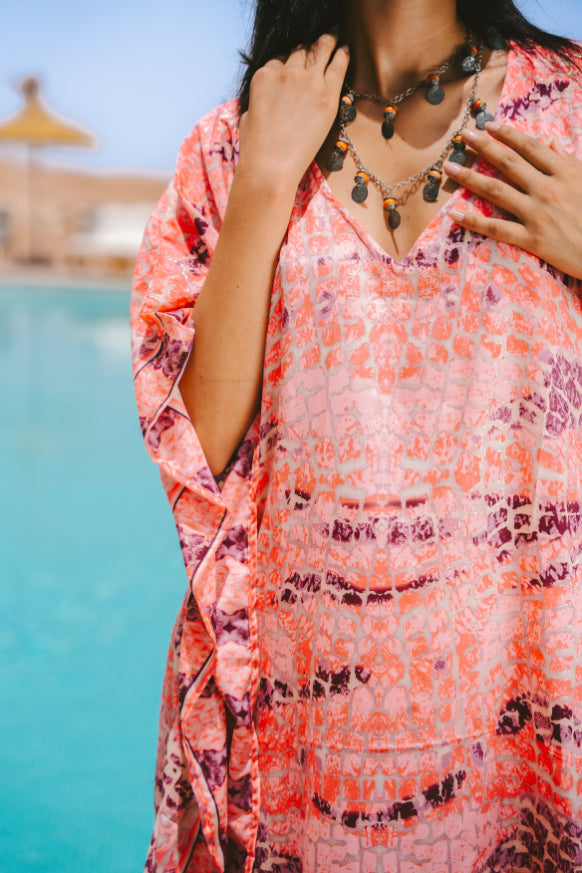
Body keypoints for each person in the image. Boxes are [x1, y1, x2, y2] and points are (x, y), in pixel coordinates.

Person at [131, 1, 582, 870]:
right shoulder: (232, 145)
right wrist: (265, 183)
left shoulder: (571, 106)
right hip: (306, 733)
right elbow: (202, 449)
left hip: (538, 700)